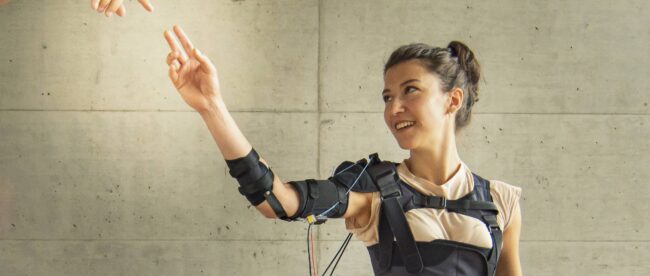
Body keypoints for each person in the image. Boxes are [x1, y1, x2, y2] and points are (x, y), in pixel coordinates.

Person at [163, 25, 522, 276]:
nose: (393, 108)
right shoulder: (373, 187)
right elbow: (280, 201)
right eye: (387, 97)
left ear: (452, 100)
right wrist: (212, 106)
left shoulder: (500, 200)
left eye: (410, 90)